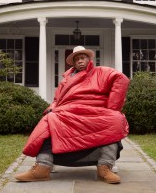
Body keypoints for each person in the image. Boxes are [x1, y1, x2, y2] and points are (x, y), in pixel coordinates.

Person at [15, 46, 130, 184]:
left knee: (115, 120)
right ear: (73, 63)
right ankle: (42, 167)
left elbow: (122, 79)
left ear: (89, 59)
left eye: (82, 58)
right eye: (77, 59)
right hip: (68, 111)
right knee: (49, 120)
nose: (80, 61)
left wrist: (112, 107)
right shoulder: (65, 80)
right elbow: (57, 100)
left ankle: (105, 168)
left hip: (94, 111)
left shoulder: (101, 72)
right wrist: (51, 108)